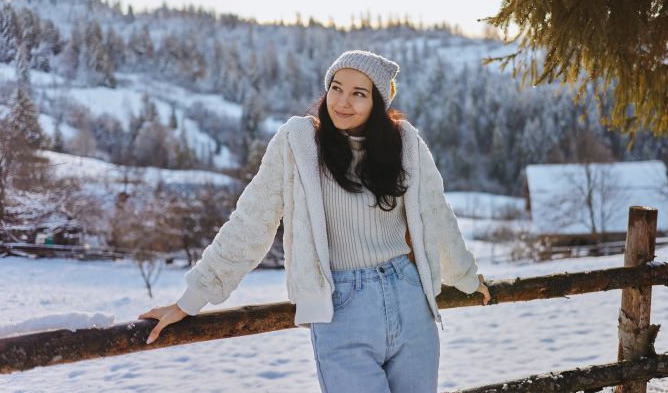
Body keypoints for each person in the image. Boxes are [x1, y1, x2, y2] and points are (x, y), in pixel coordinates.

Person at [139, 49, 490, 392]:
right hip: (341, 307)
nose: (342, 102)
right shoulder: (298, 143)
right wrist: (191, 298)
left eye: (359, 93)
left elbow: (436, 215)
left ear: (377, 103)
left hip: (410, 297)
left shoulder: (405, 143)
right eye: (336, 87)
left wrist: (466, 276)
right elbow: (251, 221)